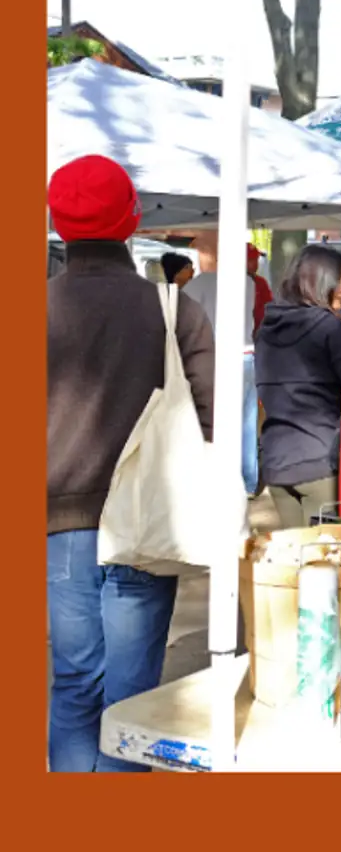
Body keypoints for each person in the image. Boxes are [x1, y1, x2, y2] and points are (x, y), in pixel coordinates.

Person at [47, 155, 216, 772]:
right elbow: (214, 416)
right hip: (148, 522)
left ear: (58, 223)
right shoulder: (174, 311)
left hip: (61, 525)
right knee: (133, 701)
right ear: (132, 219)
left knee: (74, 684)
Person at [255, 245, 341, 528]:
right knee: (324, 552)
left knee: (295, 553)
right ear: (322, 282)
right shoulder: (328, 326)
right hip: (319, 461)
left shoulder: (267, 327)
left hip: (276, 463)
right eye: (340, 279)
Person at [183, 232, 259, 497]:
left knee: (217, 423)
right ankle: (248, 481)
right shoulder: (247, 282)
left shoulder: (195, 287)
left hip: (216, 357)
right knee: (247, 422)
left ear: (209, 255)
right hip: (246, 354)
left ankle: (224, 482)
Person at [247, 243, 274, 339]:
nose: (256, 263)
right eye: (251, 260)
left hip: (259, 334)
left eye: (256, 259)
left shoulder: (260, 282)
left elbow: (269, 307)